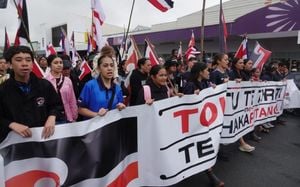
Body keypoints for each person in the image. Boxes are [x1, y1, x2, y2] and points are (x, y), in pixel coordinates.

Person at [0, 46, 59, 142]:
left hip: (44, 140)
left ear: (32, 64)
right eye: (18, 60)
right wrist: (11, 124)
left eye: (28, 60)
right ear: (9, 64)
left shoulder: (44, 85)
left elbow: (56, 105)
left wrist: (52, 117)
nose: (24, 64)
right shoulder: (3, 90)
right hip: (16, 144)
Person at [183, 62, 224, 187]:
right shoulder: (190, 85)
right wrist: (192, 96)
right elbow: (185, 103)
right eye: (207, 70)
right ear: (200, 72)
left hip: (205, 121)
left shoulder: (206, 83)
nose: (209, 72)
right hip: (194, 124)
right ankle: (210, 175)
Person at [229, 57, 255, 153]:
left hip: (240, 100)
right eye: (240, 63)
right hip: (233, 101)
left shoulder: (242, 73)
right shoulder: (231, 73)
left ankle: (242, 141)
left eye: (242, 63)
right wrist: (234, 82)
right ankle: (242, 143)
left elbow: (245, 83)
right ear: (235, 64)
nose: (242, 64)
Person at [45, 55, 78, 123]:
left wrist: (74, 116)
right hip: (51, 119)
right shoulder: (45, 81)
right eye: (56, 63)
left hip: (67, 117)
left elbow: (72, 100)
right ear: (50, 65)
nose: (59, 65)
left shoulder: (67, 80)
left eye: (60, 62)